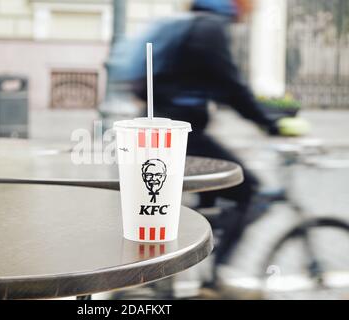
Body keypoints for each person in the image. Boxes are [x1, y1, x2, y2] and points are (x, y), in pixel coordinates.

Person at [109, 0, 280, 271]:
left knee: (210, 201)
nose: (252, 9)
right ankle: (215, 275)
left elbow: (219, 84)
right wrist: (268, 122)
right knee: (248, 187)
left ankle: (187, 267)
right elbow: (230, 86)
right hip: (180, 136)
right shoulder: (209, 30)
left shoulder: (195, 26)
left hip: (180, 132)